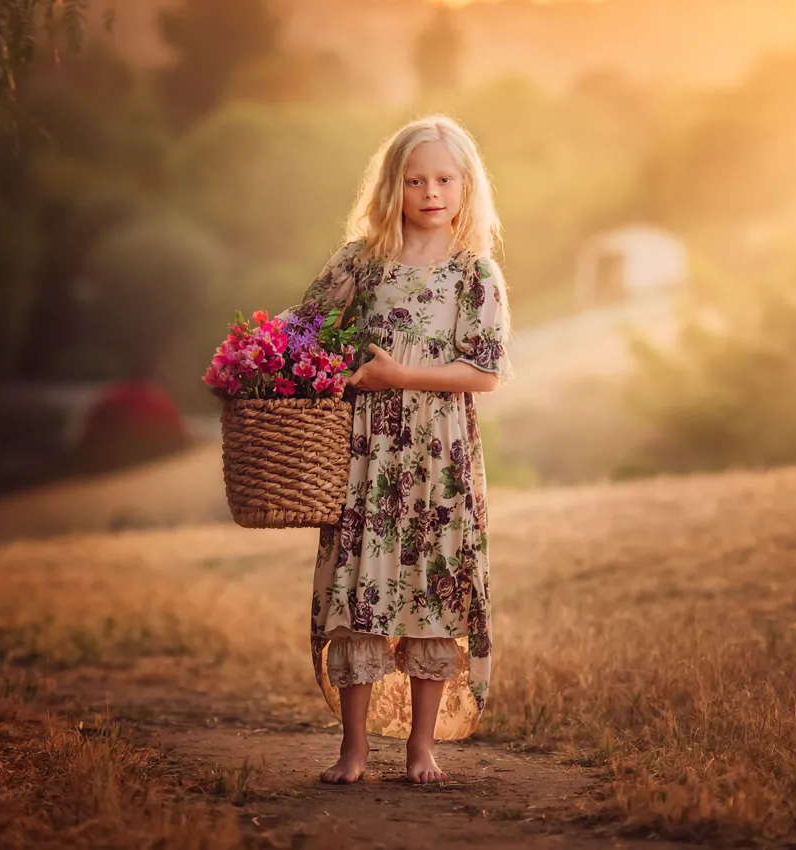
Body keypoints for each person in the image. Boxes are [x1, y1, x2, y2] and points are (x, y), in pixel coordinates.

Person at [292, 115, 514, 785]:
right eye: (415, 180)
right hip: (366, 452)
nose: (430, 192)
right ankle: (353, 750)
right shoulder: (359, 261)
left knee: (432, 593)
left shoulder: (475, 273)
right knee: (362, 592)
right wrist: (266, 363)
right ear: (392, 186)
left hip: (438, 458)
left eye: (444, 179)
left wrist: (401, 375)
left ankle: (422, 745)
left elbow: (485, 371)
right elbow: (304, 333)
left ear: (466, 186)